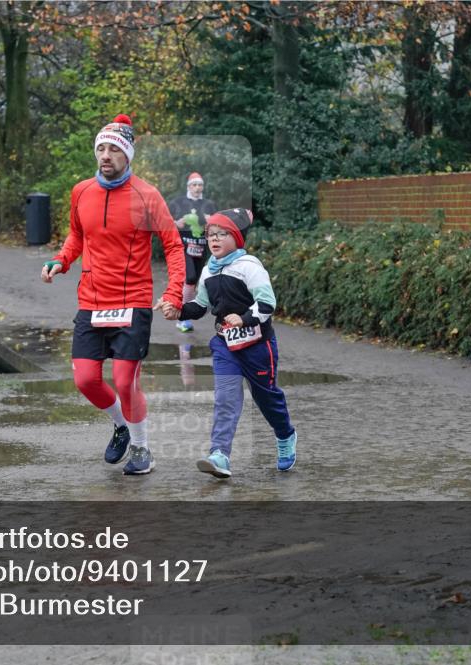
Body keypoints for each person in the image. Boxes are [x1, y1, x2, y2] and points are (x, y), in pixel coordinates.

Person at [41, 113, 186, 475]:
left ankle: (141, 448)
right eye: (101, 148)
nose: (105, 155)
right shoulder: (81, 191)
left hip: (133, 301)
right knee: (85, 380)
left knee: (124, 380)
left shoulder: (147, 195)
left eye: (114, 149)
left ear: (128, 155)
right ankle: (121, 424)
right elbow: (77, 235)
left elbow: (173, 245)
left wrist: (174, 293)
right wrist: (61, 260)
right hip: (91, 301)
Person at [161, 208, 296, 479]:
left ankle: (285, 436)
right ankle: (219, 454)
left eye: (222, 234)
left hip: (258, 346)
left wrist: (243, 319)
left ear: (236, 238)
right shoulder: (208, 272)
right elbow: (201, 306)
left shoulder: (249, 267)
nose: (214, 239)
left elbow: (267, 303)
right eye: (211, 234)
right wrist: (178, 310)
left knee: (267, 399)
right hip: (225, 345)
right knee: (226, 399)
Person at [166, 172, 218, 333]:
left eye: (200, 185)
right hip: (183, 246)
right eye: (194, 185)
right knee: (190, 278)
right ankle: (182, 316)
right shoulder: (178, 202)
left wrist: (211, 221)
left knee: (193, 282)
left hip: (201, 247)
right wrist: (176, 223)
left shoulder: (209, 204)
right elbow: (164, 221)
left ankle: (184, 312)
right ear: (189, 186)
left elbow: (218, 225)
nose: (197, 188)